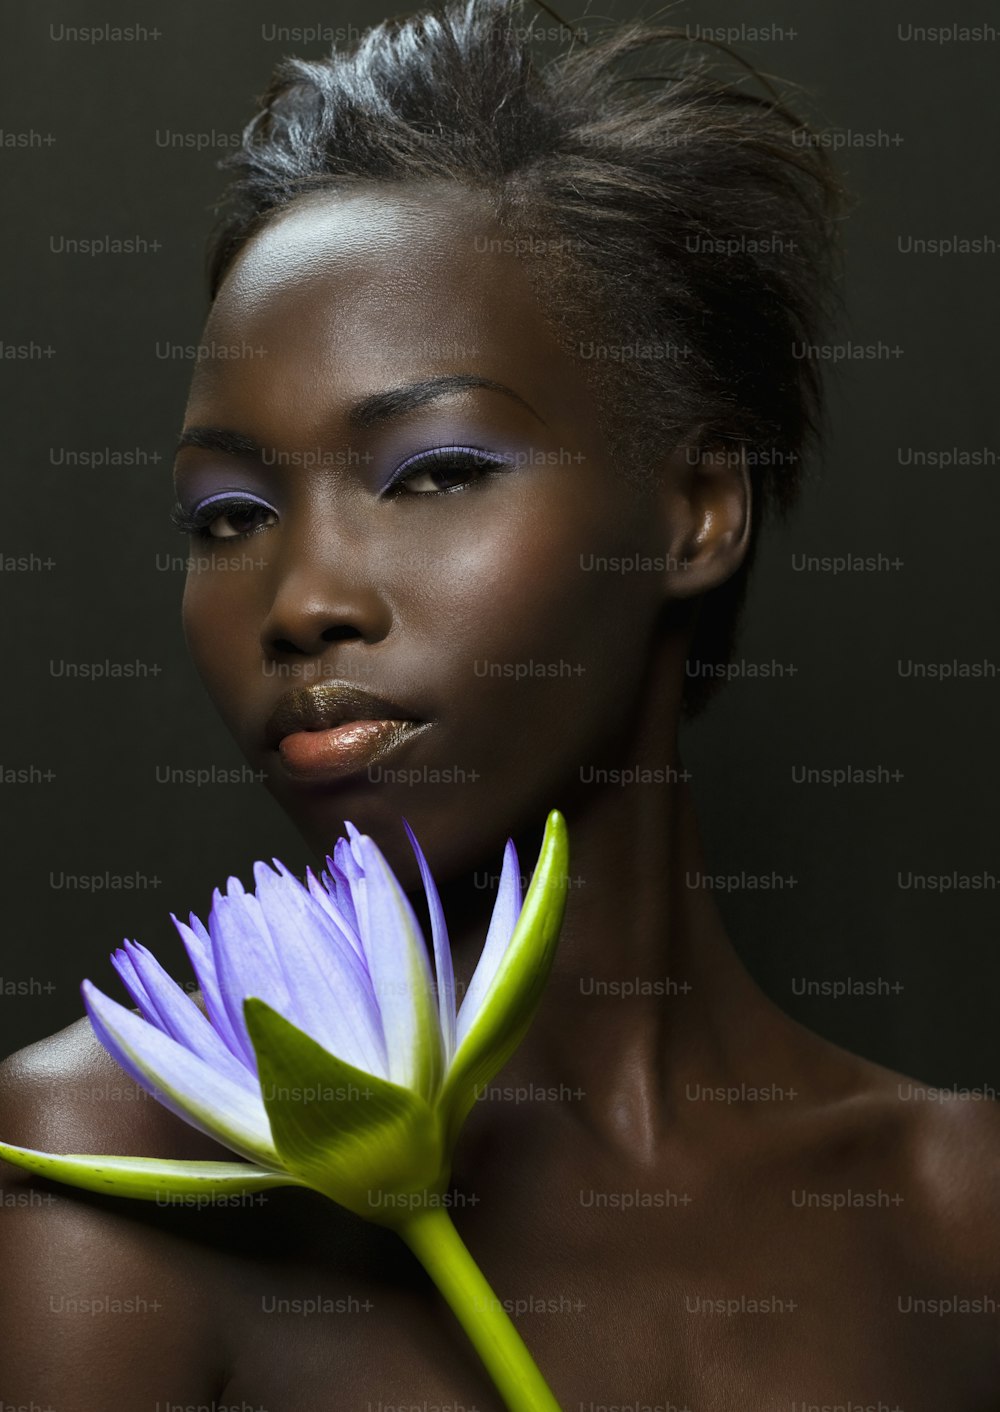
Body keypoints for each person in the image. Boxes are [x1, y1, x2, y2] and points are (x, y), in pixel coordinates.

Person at [2, 0, 999, 1405]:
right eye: (227, 513)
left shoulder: (962, 1216)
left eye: (434, 472)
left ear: (697, 511)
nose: (299, 601)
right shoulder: (104, 1179)